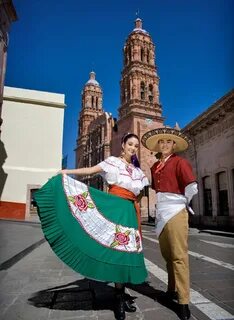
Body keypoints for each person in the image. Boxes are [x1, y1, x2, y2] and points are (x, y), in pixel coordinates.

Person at [35, 133, 149, 320]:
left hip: (129, 213)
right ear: (123, 145)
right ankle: (119, 297)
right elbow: (90, 170)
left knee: (126, 254)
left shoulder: (137, 171)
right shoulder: (112, 162)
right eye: (130, 144)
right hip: (112, 208)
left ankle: (122, 293)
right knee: (116, 253)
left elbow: (140, 193)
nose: (133, 148)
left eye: (136, 145)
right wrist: (66, 172)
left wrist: (134, 207)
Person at [141, 127, 198, 320]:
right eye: (162, 142)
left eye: (168, 142)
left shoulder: (180, 162)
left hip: (175, 211)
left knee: (179, 256)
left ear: (174, 145)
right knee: (167, 255)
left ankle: (183, 302)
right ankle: (171, 289)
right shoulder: (156, 166)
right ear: (159, 145)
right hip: (161, 212)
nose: (165, 145)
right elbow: (156, 187)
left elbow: (192, 186)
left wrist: (182, 202)